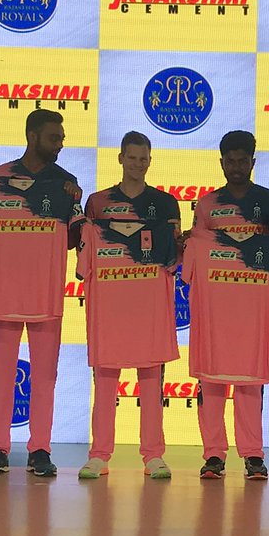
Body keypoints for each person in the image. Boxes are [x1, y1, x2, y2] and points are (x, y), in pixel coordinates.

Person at [0, 109, 84, 479]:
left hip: (46, 296)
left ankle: (41, 449)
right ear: (32, 136)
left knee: (45, 377)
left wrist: (76, 201)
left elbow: (74, 240)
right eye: (54, 137)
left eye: (62, 138)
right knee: (0, 376)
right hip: (3, 294)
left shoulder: (66, 183)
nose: (61, 144)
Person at [78, 130, 181, 482]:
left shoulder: (166, 204)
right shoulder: (97, 203)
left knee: (152, 383)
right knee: (105, 383)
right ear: (120, 158)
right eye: (132, 157)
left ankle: (153, 455)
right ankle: (99, 454)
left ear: (150, 161)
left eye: (144, 158)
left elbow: (174, 257)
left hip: (149, 311)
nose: (137, 164)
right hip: (109, 312)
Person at [187, 130, 269, 481]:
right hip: (215, 311)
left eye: (244, 161)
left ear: (253, 162)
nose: (237, 167)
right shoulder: (208, 204)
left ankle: (253, 455)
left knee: (249, 382)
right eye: (231, 161)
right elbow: (195, 250)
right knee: (211, 381)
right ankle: (213, 454)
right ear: (222, 162)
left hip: (253, 312)